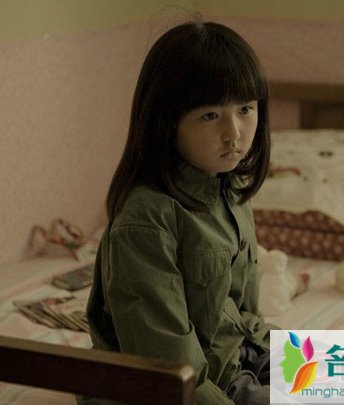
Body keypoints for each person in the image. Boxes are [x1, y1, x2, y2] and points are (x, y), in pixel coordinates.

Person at [83, 20, 277, 404]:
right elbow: (169, 370)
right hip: (191, 386)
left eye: (245, 109)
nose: (234, 133)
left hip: (237, 356)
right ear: (165, 121)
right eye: (211, 115)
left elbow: (242, 315)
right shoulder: (146, 221)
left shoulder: (230, 189)